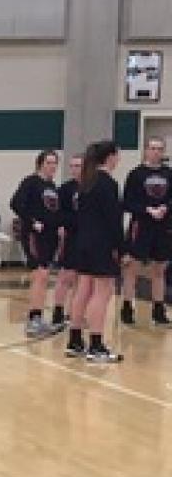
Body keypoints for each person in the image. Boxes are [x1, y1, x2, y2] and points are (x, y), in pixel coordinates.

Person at [65, 140, 125, 363]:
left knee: (83, 290)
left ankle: (75, 340)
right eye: (117, 155)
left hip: (83, 243)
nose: (118, 160)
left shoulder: (86, 182)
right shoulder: (107, 183)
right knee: (102, 293)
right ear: (110, 157)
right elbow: (113, 219)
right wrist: (121, 247)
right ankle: (96, 345)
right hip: (101, 245)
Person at [118, 136, 172, 326]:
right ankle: (127, 307)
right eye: (152, 148)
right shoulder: (136, 174)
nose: (156, 152)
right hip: (140, 226)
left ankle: (158, 310)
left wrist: (165, 208)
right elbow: (127, 202)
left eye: (159, 148)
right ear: (146, 150)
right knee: (132, 267)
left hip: (163, 227)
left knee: (160, 268)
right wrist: (147, 210)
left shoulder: (169, 173)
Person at [10, 150, 64, 337]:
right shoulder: (31, 182)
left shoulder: (52, 186)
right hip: (34, 235)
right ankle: (34, 319)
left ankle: (38, 317)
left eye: (55, 163)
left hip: (50, 236)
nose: (52, 166)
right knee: (39, 275)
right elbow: (16, 203)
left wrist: (59, 226)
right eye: (49, 162)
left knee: (44, 276)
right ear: (40, 163)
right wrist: (32, 222)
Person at [51, 154, 84, 328]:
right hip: (71, 235)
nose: (74, 169)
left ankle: (74, 313)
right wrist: (64, 226)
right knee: (65, 275)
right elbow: (59, 213)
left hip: (87, 237)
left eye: (78, 165)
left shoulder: (92, 187)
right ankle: (58, 311)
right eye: (72, 166)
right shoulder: (65, 189)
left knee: (81, 277)